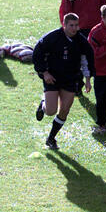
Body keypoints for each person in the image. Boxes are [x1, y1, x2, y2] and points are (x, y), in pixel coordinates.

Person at [33, 13, 95, 150]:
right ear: (64, 25)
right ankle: (43, 104)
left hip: (70, 79)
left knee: (64, 110)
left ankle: (51, 138)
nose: (74, 28)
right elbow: (37, 54)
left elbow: (87, 60)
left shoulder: (81, 41)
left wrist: (88, 79)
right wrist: (44, 72)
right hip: (52, 77)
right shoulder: (52, 38)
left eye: (76, 25)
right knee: (50, 111)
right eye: (71, 25)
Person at [59, 0, 106, 94]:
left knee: (99, 57)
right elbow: (66, 10)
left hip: (95, 29)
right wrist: (69, 28)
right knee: (76, 59)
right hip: (78, 29)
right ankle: (77, 85)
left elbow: (105, 6)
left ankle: (104, 85)